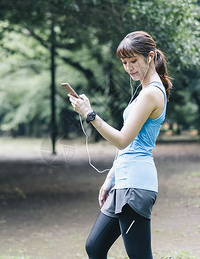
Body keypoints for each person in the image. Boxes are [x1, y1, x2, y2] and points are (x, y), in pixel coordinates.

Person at [68, 31, 172, 259]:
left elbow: (123, 139)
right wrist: (110, 179)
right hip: (123, 182)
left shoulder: (151, 94)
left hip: (136, 185)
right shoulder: (143, 92)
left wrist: (90, 114)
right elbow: (127, 144)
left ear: (150, 57)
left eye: (133, 61)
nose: (128, 67)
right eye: (124, 62)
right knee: (94, 247)